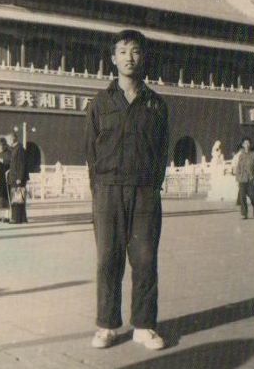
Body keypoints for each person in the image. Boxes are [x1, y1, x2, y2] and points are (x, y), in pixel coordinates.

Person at [85, 30, 169, 350]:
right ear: (113, 58)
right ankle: (107, 325)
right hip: (108, 191)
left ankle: (144, 326)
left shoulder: (156, 104)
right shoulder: (100, 103)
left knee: (145, 259)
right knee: (108, 259)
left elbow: (162, 150)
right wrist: (99, 191)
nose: (129, 57)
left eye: (135, 51)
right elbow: (90, 151)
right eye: (122, 51)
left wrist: (152, 186)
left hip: (145, 191)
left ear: (142, 57)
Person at [235, 137, 254, 219]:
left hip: (251, 179)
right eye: (245, 143)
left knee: (252, 195)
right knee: (242, 196)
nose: (247, 145)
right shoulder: (241, 156)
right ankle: (244, 213)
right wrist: (238, 178)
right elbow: (238, 167)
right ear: (243, 145)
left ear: (250, 144)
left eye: (248, 143)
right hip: (242, 179)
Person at [7, 132, 29, 224]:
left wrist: (19, 177)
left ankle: (15, 218)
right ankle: (22, 218)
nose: (7, 142)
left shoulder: (19, 149)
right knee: (20, 197)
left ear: (12, 139)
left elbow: (22, 164)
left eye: (8, 140)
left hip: (17, 178)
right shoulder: (16, 149)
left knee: (16, 198)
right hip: (15, 177)